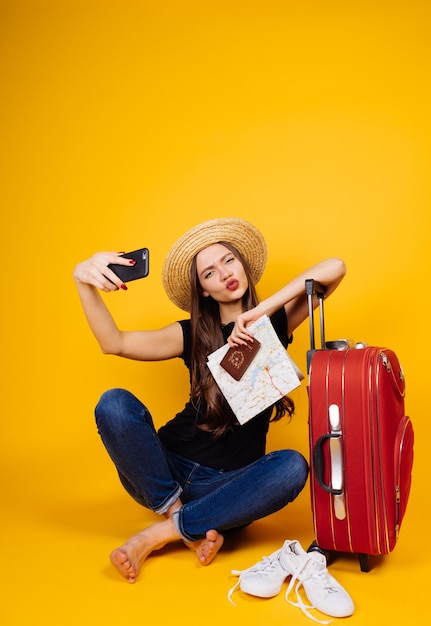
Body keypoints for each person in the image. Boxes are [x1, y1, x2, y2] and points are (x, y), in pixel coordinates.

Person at [73, 217, 346, 584]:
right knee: (114, 404)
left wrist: (260, 314)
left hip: (228, 485)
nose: (223, 273)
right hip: (163, 470)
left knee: (293, 467)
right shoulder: (190, 333)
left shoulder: (277, 322)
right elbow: (114, 343)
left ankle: (160, 533)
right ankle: (180, 517)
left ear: (244, 266)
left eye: (229, 261)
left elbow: (335, 269)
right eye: (209, 273)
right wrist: (82, 279)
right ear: (202, 290)